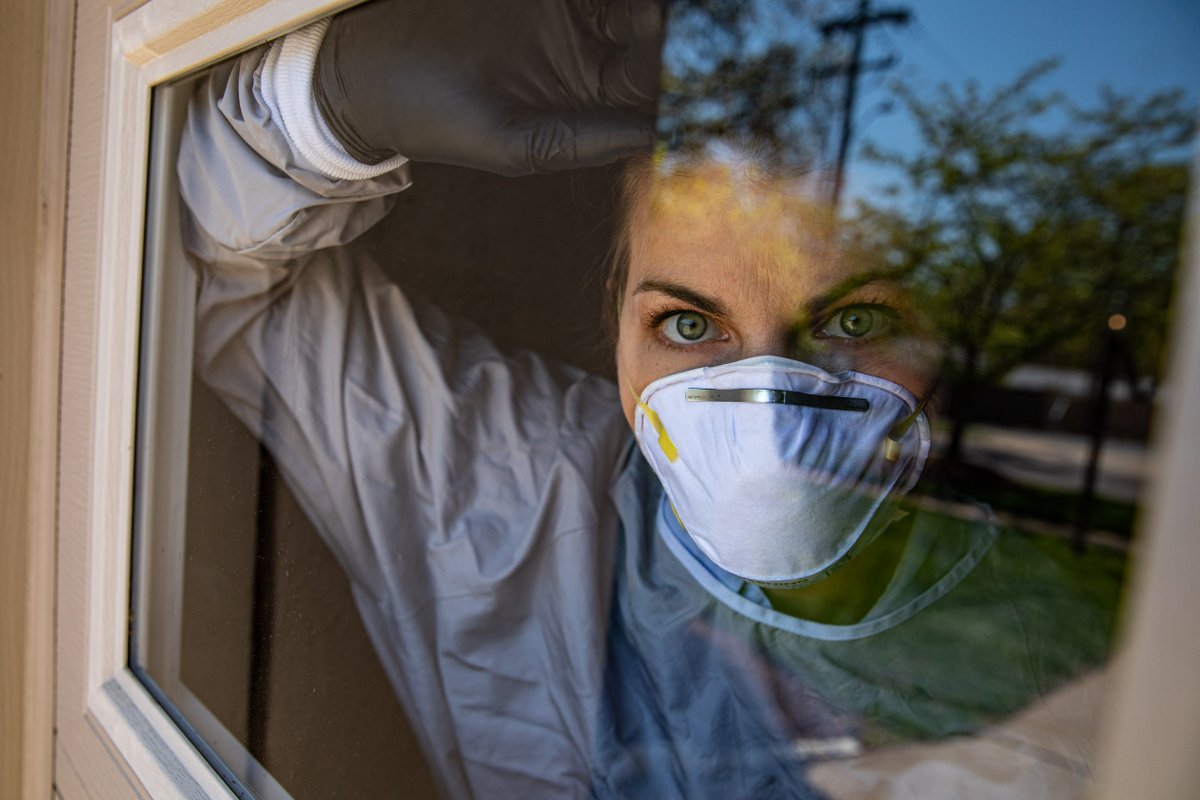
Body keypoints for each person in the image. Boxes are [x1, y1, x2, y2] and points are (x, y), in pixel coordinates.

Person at [177, 1, 1119, 797]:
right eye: (691, 327)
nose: (768, 421)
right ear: (615, 324)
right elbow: (195, 272)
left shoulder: (1100, 662)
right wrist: (331, 99)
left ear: (955, 342)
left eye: (856, 325)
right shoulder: (508, 495)